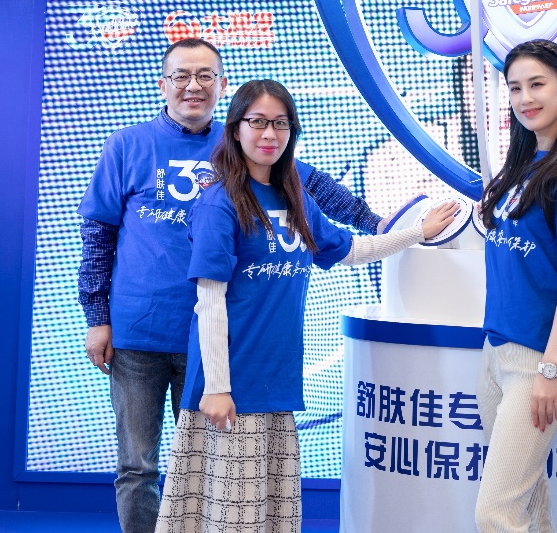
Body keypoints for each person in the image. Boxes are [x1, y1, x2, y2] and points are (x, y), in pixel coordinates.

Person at [77, 39, 383, 533]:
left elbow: (315, 187)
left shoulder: (242, 144)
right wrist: (97, 317)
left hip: (219, 341)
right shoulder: (128, 145)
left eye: (205, 76)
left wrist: (380, 222)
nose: (193, 86)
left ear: (222, 86)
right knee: (138, 467)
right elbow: (98, 234)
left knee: (207, 471)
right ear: (162, 84)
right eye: (181, 75)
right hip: (140, 332)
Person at [153, 79, 459, 533]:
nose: (269, 134)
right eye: (257, 122)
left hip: (277, 381)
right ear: (236, 129)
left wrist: (418, 232)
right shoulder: (219, 202)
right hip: (233, 387)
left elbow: (351, 250)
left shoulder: (294, 196)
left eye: (280, 124)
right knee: (227, 517)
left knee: (271, 513)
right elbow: (210, 302)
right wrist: (216, 387)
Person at [474, 40, 557, 533]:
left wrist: (550, 369)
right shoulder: (522, 168)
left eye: (537, 84)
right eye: (515, 88)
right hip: (496, 353)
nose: (525, 98)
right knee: (529, 505)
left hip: (536, 361)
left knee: (495, 514)